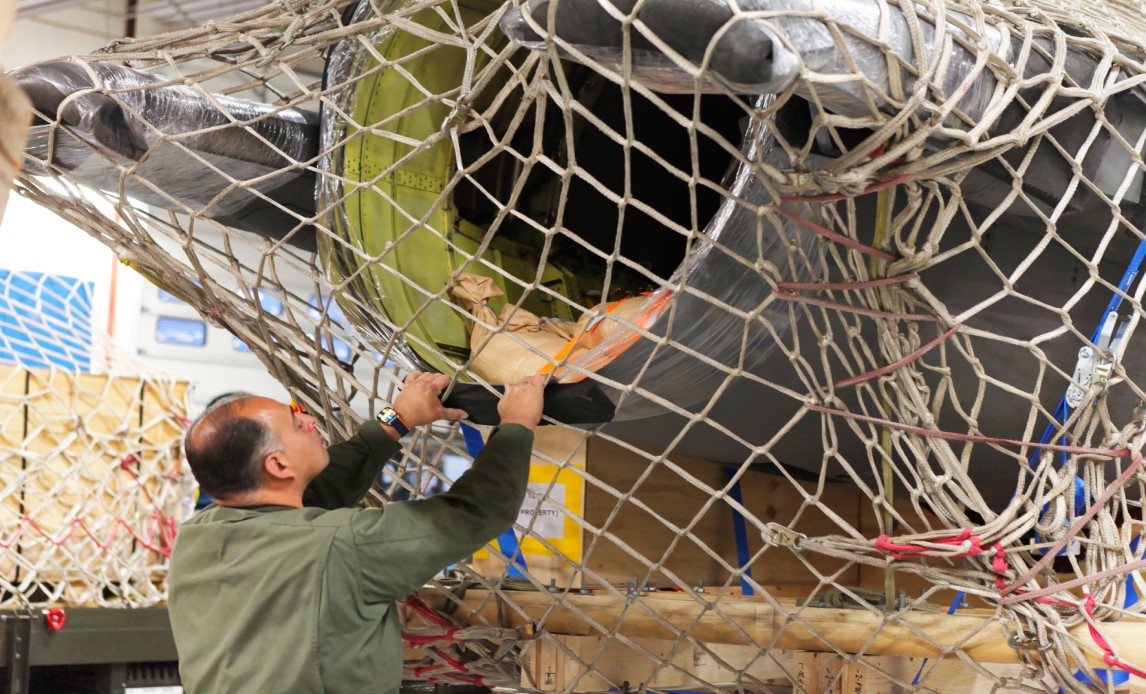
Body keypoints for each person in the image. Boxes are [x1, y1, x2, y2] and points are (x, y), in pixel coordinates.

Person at [168, 372, 546, 694]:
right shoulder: (340, 546)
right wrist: (516, 425)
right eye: (296, 422)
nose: (310, 421)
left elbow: (317, 492)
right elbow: (479, 510)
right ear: (279, 464)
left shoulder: (198, 537)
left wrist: (395, 418)